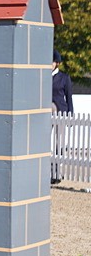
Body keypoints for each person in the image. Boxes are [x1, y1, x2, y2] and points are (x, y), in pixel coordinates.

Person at [52, 50, 73, 185]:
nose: (50, 64)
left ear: (57, 63)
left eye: (52, 62)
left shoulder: (64, 78)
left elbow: (69, 97)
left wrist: (70, 114)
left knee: (59, 144)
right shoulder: (43, 76)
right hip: (46, 113)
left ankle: (57, 173)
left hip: (61, 112)